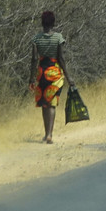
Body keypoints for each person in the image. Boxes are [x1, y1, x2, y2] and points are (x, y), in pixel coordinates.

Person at [31, 11, 72, 144]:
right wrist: (68, 77)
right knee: (52, 104)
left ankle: (46, 133)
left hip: (41, 73)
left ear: (42, 22)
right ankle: (49, 134)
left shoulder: (36, 39)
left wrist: (31, 78)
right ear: (53, 23)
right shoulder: (58, 38)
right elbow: (61, 58)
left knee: (44, 104)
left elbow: (34, 59)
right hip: (54, 74)